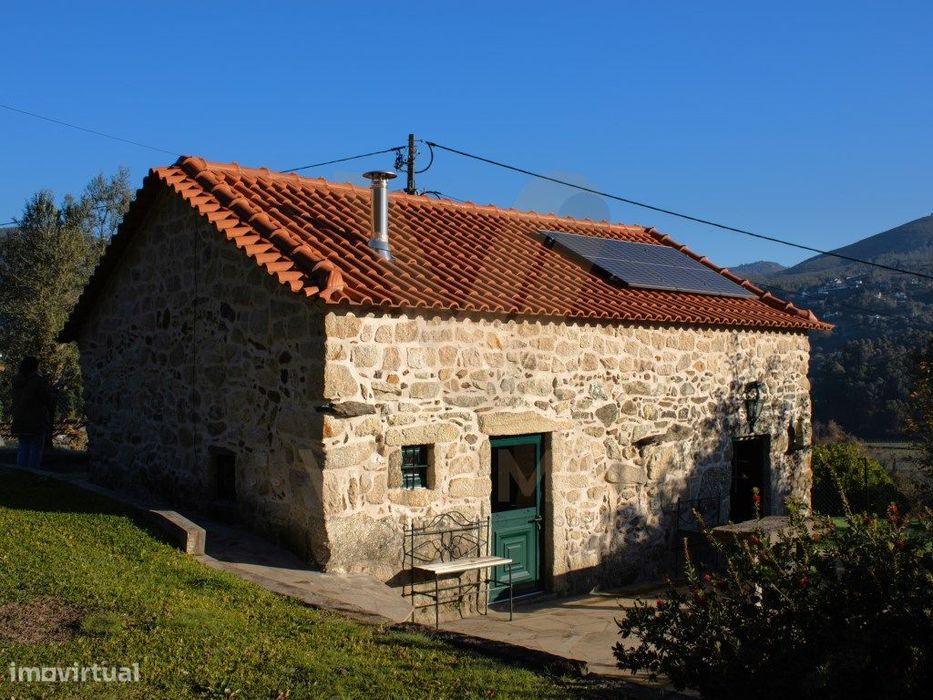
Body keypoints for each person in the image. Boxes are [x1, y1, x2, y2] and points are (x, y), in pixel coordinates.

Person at [11, 356, 54, 468]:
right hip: (36, 420)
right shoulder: (38, 381)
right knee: (35, 448)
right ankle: (32, 473)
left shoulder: (16, 381)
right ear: (35, 367)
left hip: (19, 419)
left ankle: (20, 472)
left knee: (23, 447)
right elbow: (47, 398)